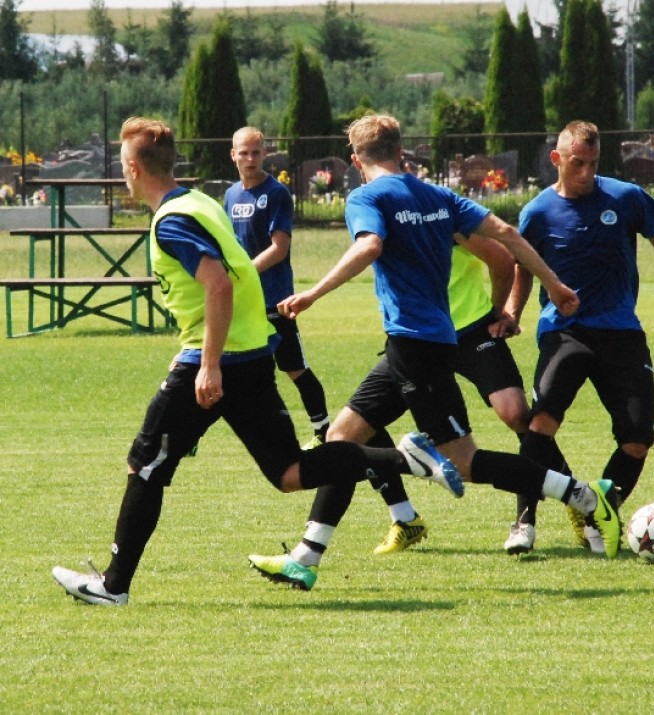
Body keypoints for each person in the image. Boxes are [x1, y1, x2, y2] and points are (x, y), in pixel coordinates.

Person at [50, 117, 463, 606]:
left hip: (216, 361)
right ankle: (404, 459)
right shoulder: (201, 202)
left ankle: (113, 586)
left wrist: (207, 363)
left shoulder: (172, 220)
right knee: (288, 471)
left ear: (134, 169)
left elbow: (220, 284)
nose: (123, 173)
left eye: (123, 164)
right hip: (249, 355)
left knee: (145, 466)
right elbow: (239, 274)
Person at [247, 113, 621, 591]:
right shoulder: (436, 196)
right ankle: (306, 557)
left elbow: (370, 245)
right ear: (400, 151)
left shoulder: (366, 197)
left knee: (464, 461)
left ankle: (583, 496)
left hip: (415, 347)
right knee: (341, 438)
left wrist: (312, 293)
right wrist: (555, 284)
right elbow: (506, 234)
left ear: (357, 160)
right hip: (419, 345)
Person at [251, 235, 565, 579]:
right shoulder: (383, 220)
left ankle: (554, 506)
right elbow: (366, 250)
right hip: (416, 342)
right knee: (343, 436)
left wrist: (503, 310)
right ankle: (390, 522)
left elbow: (505, 257)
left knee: (513, 415)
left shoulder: (445, 215)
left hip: (472, 331)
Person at [502, 120, 654, 556]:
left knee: (637, 439)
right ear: (556, 159)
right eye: (577, 163)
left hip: (621, 333)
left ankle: (599, 513)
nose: (586, 172)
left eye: (593, 163)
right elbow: (522, 267)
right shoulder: (538, 212)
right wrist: (512, 312)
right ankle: (524, 521)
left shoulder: (626, 197)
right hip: (565, 332)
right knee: (541, 423)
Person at [224, 126, 329, 448]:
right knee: (229, 365)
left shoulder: (276, 193)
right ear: (233, 155)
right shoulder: (230, 195)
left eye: (256, 152)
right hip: (244, 301)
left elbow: (279, 248)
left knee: (294, 368)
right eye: (244, 153)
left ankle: (324, 431)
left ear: (265, 154)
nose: (250, 159)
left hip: (275, 300)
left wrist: (243, 274)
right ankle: (191, 432)